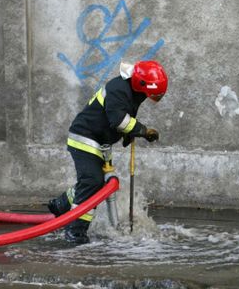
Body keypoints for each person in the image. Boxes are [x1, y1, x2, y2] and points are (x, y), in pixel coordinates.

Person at [46, 60, 168, 244]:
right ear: (141, 83)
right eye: (153, 93)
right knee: (92, 181)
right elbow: (118, 119)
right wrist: (142, 130)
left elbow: (121, 116)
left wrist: (129, 133)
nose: (153, 98)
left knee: (96, 184)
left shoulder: (134, 90)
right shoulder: (119, 89)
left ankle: (62, 204)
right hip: (84, 138)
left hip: (98, 140)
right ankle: (75, 230)